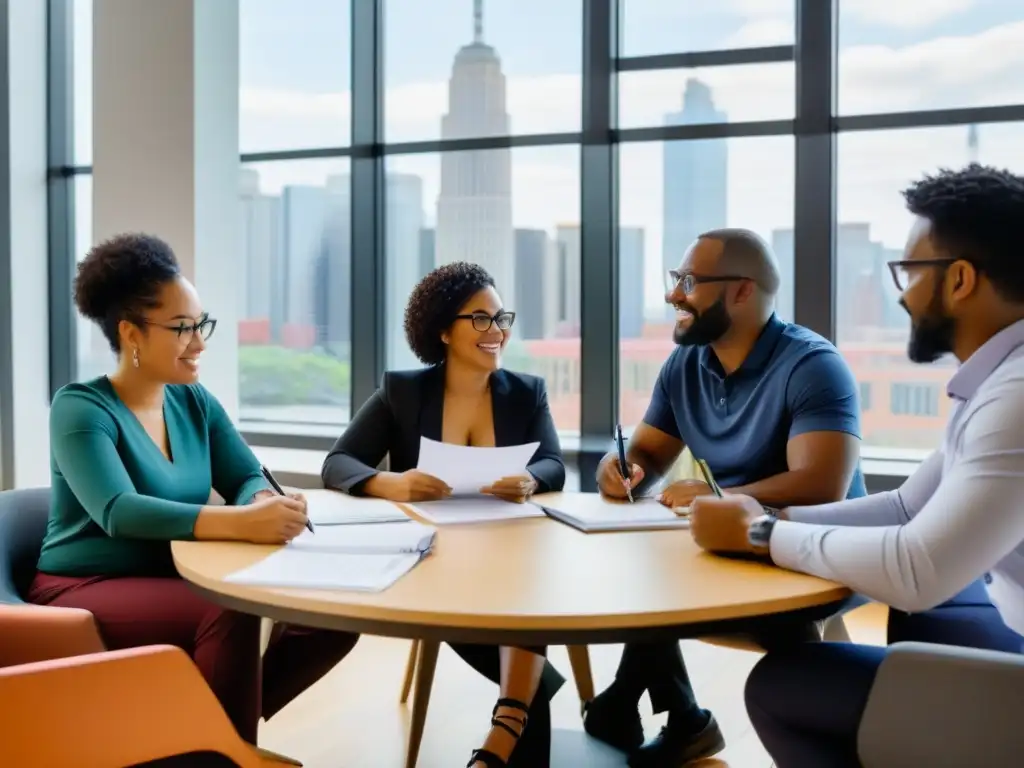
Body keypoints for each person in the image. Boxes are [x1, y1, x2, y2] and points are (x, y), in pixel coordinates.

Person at [688, 164, 1024, 766]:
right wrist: (770, 513)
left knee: (782, 686)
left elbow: (919, 568)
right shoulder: (997, 381)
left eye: (910, 272)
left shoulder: (1017, 397)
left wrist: (760, 533)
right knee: (926, 616)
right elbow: (904, 508)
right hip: (1007, 612)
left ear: (963, 279)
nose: (901, 293)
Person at [28, 233, 360, 745]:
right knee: (229, 609)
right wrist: (242, 523)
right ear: (131, 334)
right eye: (183, 328)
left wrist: (261, 501)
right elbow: (119, 511)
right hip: (85, 585)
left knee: (334, 611)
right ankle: (223, 749)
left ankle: (197, 738)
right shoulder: (80, 408)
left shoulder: (193, 401)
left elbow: (245, 473)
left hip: (178, 574)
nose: (200, 342)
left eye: (201, 324)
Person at [584, 228, 866, 767]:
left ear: (740, 291)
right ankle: (674, 715)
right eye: (675, 280)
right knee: (638, 574)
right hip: (723, 545)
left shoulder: (812, 365)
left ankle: (638, 707)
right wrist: (616, 470)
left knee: (657, 590)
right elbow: (644, 456)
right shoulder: (685, 365)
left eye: (688, 281)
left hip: (812, 553)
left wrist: (718, 495)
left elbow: (821, 484)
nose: (674, 295)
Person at [321, 261, 566, 768]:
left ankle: (507, 724)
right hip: (433, 562)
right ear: (442, 330)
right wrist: (391, 482)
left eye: (501, 318)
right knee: (525, 632)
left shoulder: (526, 392)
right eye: (480, 319)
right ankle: (518, 709)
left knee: (524, 583)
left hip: (506, 551)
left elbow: (554, 463)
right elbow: (338, 463)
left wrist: (532, 478)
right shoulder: (403, 391)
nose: (496, 331)